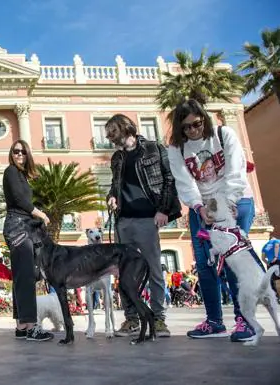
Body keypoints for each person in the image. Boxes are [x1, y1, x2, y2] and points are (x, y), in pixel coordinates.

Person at [167, 98, 262, 341]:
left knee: (232, 258)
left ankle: (245, 320)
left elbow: (236, 171)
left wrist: (225, 206)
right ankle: (213, 321)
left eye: (196, 124)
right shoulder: (176, 148)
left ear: (204, 119)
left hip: (235, 199)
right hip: (203, 207)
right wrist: (199, 207)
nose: (192, 130)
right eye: (186, 127)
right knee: (204, 263)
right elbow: (185, 183)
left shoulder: (223, 134)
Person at [105, 114, 182, 338]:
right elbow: (115, 184)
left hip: (147, 220)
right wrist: (111, 196)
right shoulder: (117, 158)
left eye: (113, 132)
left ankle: (158, 319)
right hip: (123, 221)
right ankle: (132, 320)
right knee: (125, 273)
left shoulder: (154, 149)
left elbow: (169, 179)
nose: (109, 137)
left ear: (126, 128)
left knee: (154, 269)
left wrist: (163, 210)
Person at [2, 139, 54, 342]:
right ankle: (31, 326)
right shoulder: (11, 172)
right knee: (25, 276)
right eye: (16, 152)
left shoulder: (22, 175)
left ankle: (22, 326)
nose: (19, 155)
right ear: (11, 154)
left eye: (23, 152)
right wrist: (40, 214)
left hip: (22, 226)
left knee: (23, 275)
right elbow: (20, 200)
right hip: (17, 227)